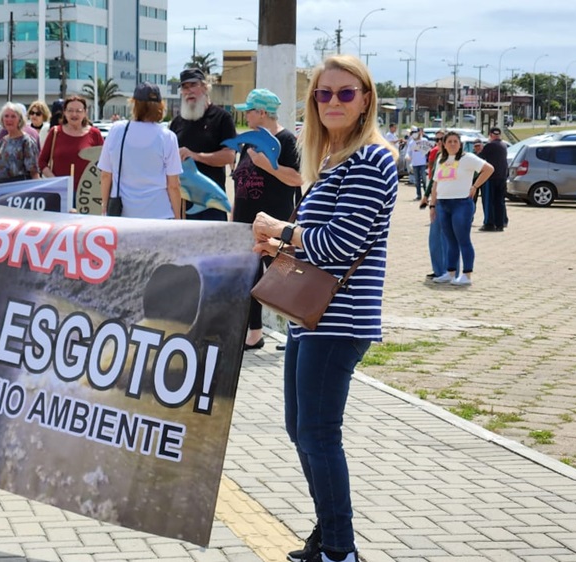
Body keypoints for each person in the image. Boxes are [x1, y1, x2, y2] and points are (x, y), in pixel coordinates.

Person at [250, 54, 398, 562]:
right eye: (322, 93)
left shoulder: (372, 159)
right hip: (309, 316)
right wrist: (281, 248)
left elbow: (339, 243)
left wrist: (280, 230)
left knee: (317, 432)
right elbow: (321, 244)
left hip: (340, 319)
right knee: (301, 429)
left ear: (365, 100)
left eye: (345, 92)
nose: (332, 101)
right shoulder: (333, 157)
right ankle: (327, 534)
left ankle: (340, 547)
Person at [230, 88, 303, 350]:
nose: (245, 116)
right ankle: (254, 333)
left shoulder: (286, 140)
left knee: (284, 278)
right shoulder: (249, 141)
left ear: (261, 112)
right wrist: (234, 216)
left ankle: (296, 330)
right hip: (246, 224)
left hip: (276, 226)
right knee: (248, 280)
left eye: (248, 111)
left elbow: (297, 177)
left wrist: (266, 165)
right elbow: (240, 181)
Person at [97, 82, 182, 219]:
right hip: (159, 213)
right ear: (160, 106)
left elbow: (106, 175)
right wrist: (177, 217)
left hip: (124, 215)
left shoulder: (117, 130)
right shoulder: (167, 137)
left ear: (134, 104)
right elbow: (173, 185)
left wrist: (104, 207)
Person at [169, 67, 237, 221]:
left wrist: (195, 156)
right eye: (184, 87)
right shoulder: (176, 123)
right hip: (181, 204)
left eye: (193, 85)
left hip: (211, 203)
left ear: (205, 87)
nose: (188, 91)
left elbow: (229, 156)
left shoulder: (222, 118)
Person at [429, 130, 494, 286]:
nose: (452, 144)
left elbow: (489, 169)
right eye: (449, 141)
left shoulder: (467, 158)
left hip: (461, 204)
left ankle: (467, 275)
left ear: (460, 144)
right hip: (443, 204)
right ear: (443, 144)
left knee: (463, 239)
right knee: (450, 241)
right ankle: (450, 273)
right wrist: (433, 204)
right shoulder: (441, 159)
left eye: (455, 142)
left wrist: (475, 186)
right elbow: (436, 183)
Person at [38, 94, 104, 205]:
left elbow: (104, 162)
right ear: (64, 112)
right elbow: (42, 162)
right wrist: (56, 181)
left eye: (78, 111)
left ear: (85, 112)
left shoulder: (95, 134)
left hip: (88, 195)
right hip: (60, 193)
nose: (74, 114)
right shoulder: (55, 132)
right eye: (70, 110)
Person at [421, 131, 451, 279]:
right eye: (436, 139)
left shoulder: (457, 159)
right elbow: (434, 180)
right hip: (437, 200)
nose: (438, 142)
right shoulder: (439, 157)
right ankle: (439, 270)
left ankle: (449, 270)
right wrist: (426, 196)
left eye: (441, 139)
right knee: (435, 239)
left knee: (447, 238)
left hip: (450, 201)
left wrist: (473, 188)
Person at [0, 102, 40, 183]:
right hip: (2, 186)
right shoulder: (2, 141)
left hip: (20, 187)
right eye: (6, 116)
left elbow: (34, 172)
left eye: (13, 116)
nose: (9, 120)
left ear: (20, 120)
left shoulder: (26, 141)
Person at [478, 127, 508, 232]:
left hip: (490, 177)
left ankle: (489, 223)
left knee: (488, 201)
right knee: (499, 201)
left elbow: (480, 158)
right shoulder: (504, 145)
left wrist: (479, 150)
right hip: (502, 177)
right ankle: (500, 224)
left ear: (490, 135)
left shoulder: (490, 145)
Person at [404, 126, 432, 200]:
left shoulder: (424, 140)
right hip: (415, 163)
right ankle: (419, 195)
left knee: (424, 179)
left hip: (423, 163)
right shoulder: (411, 143)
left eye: (415, 132)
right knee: (417, 181)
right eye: (412, 133)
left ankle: (426, 195)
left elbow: (429, 151)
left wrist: (428, 161)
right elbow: (408, 152)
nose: (414, 134)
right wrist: (407, 156)